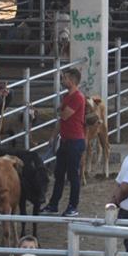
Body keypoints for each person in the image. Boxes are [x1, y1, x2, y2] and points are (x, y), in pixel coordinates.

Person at [43, 68, 87, 217]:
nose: (63, 81)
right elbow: (62, 118)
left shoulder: (77, 97)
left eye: (65, 78)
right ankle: (54, 204)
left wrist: (58, 112)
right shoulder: (68, 96)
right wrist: (54, 135)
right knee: (59, 173)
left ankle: (73, 206)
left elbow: (65, 115)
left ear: (73, 80)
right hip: (67, 140)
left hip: (75, 141)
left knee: (73, 175)